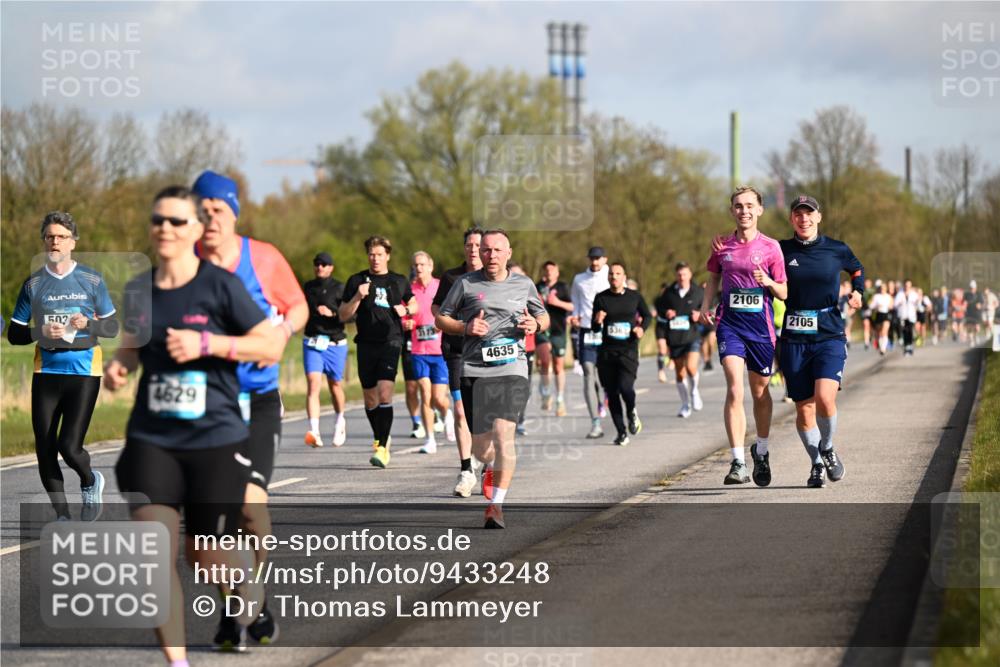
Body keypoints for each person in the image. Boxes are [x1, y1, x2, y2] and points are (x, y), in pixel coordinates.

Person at [105, 185, 282, 662]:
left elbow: (269, 345)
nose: (165, 228)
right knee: (153, 556)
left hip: (215, 440)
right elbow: (135, 344)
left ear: (197, 230)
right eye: (158, 219)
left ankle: (248, 587)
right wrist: (121, 365)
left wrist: (210, 345)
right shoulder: (138, 289)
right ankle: (178, 662)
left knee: (202, 558)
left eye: (177, 221)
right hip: (153, 438)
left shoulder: (220, 286)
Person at [192, 170, 306, 646]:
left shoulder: (261, 257)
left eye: (217, 209)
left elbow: (297, 306)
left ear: (232, 212)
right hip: (204, 407)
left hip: (257, 401)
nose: (208, 218)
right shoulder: (181, 263)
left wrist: (280, 332)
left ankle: (253, 591)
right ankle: (232, 610)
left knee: (249, 509)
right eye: (201, 210)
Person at [8, 211, 119, 521]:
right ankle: (62, 516)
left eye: (61, 236)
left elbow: (112, 327)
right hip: (46, 372)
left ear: (73, 242)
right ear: (44, 241)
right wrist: (38, 332)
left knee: (69, 446)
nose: (54, 241)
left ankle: (89, 480)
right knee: (44, 447)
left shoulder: (92, 279)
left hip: (83, 372)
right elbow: (15, 333)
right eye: (49, 236)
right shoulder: (33, 284)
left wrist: (89, 324)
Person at [436, 229, 548, 528]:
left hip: (513, 369)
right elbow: (441, 318)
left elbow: (544, 316)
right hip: (475, 370)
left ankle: (496, 505)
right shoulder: (465, 284)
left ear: (508, 253)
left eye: (497, 250)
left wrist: (534, 323)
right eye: (486, 250)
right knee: (482, 447)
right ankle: (487, 467)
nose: (491, 255)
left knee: (504, 435)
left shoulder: (523, 284)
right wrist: (465, 327)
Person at [701, 186, 787, 486]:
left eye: (750, 205)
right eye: (738, 206)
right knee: (735, 389)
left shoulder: (772, 247)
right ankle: (737, 461)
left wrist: (769, 282)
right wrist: (705, 305)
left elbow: (784, 292)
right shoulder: (722, 246)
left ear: (760, 210)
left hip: (761, 329)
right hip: (730, 325)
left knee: (760, 393)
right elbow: (713, 277)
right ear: (732, 211)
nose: (744, 211)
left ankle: (760, 450)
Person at [777, 195, 864, 488]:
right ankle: (816, 464)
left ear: (818, 217)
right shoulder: (780, 249)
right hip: (793, 337)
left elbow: (857, 269)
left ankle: (827, 446)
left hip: (828, 332)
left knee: (825, 397)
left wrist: (858, 292)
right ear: (792, 219)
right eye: (798, 214)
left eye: (809, 214)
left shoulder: (836, 249)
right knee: (804, 409)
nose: (804, 219)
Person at [339, 236, 417, 468]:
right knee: (370, 398)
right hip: (365, 343)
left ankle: (382, 448)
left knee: (385, 392)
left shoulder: (398, 281)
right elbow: (343, 315)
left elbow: (414, 304)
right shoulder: (356, 281)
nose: (375, 258)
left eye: (380, 254)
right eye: (372, 254)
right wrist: (357, 297)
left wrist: (405, 309)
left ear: (387, 256)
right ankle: (381, 436)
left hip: (391, 341)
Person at [432, 227, 484, 497]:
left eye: (478, 245)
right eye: (469, 245)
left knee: (485, 414)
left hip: (487, 352)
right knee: (461, 411)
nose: (473, 249)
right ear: (464, 248)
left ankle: (487, 461)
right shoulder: (451, 277)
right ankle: (466, 470)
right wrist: (459, 324)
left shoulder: (493, 277)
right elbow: (436, 310)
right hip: (456, 351)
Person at [591, 262, 651, 445]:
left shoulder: (634, 297)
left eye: (618, 273)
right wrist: (598, 320)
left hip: (628, 351)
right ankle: (621, 432)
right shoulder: (601, 298)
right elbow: (594, 327)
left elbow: (648, 316)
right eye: (611, 274)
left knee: (626, 388)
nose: (614, 277)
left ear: (624, 277)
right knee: (612, 393)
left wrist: (641, 328)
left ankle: (631, 411)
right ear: (608, 277)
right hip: (607, 353)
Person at [301, 252, 348, 447]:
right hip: (312, 342)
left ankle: (340, 421)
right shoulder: (308, 288)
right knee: (313, 383)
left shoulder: (339, 288)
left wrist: (333, 313)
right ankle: (314, 431)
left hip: (334, 343)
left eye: (324, 264)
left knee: (334, 385)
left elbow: (350, 316)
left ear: (331, 268)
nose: (320, 267)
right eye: (317, 263)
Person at [409, 251, 452, 454]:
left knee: (438, 398)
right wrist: (406, 322)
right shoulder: (410, 291)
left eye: (422, 264)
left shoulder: (440, 287)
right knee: (424, 394)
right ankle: (430, 440)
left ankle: (447, 413)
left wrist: (442, 325)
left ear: (431, 265)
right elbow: (405, 315)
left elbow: (451, 312)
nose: (419, 268)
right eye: (416, 265)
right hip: (418, 350)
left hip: (439, 350)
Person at [569, 247, 610, 439]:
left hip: (606, 331)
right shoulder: (579, 279)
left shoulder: (613, 275)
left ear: (604, 259)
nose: (594, 262)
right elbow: (576, 303)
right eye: (592, 258)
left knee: (603, 374)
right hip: (586, 330)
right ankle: (595, 423)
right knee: (587, 371)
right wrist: (574, 317)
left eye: (598, 259)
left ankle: (605, 396)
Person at [658, 262, 704, 418]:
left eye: (685, 274)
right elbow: (660, 309)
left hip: (692, 336)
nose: (682, 277)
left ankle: (694, 391)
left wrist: (699, 315)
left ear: (690, 275)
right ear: (676, 276)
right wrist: (666, 313)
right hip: (675, 337)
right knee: (680, 373)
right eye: (679, 274)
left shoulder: (698, 292)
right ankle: (685, 404)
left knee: (691, 367)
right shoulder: (669, 293)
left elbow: (708, 309)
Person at [535, 261, 573, 416]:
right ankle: (545, 392)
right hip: (542, 330)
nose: (549, 272)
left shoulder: (563, 287)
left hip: (558, 330)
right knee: (544, 361)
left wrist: (556, 302)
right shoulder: (538, 287)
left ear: (557, 272)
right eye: (547, 270)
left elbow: (572, 306)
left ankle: (560, 399)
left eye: (552, 270)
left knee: (558, 366)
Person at [652, 282, 675, 383]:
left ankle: (671, 359)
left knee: (671, 348)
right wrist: (653, 313)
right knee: (662, 348)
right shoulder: (657, 300)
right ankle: (661, 371)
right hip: (660, 326)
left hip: (671, 327)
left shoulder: (673, 300)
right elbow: (653, 310)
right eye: (663, 290)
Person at [894, 279, 920, 356]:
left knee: (910, 331)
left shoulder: (914, 294)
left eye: (909, 285)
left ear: (910, 286)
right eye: (906, 285)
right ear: (904, 285)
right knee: (905, 331)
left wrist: (916, 303)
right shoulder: (900, 294)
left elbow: (918, 305)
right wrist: (899, 303)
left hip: (911, 316)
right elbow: (895, 305)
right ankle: (906, 347)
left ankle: (910, 346)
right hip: (903, 316)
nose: (907, 287)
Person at [870, 282, 893, 354]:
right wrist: (876, 306)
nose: (882, 289)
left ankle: (883, 348)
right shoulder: (876, 296)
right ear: (879, 289)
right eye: (881, 288)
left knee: (884, 331)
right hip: (879, 315)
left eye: (884, 288)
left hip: (886, 315)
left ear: (886, 289)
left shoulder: (888, 296)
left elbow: (892, 306)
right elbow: (871, 306)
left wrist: (890, 306)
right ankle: (881, 346)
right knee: (879, 333)